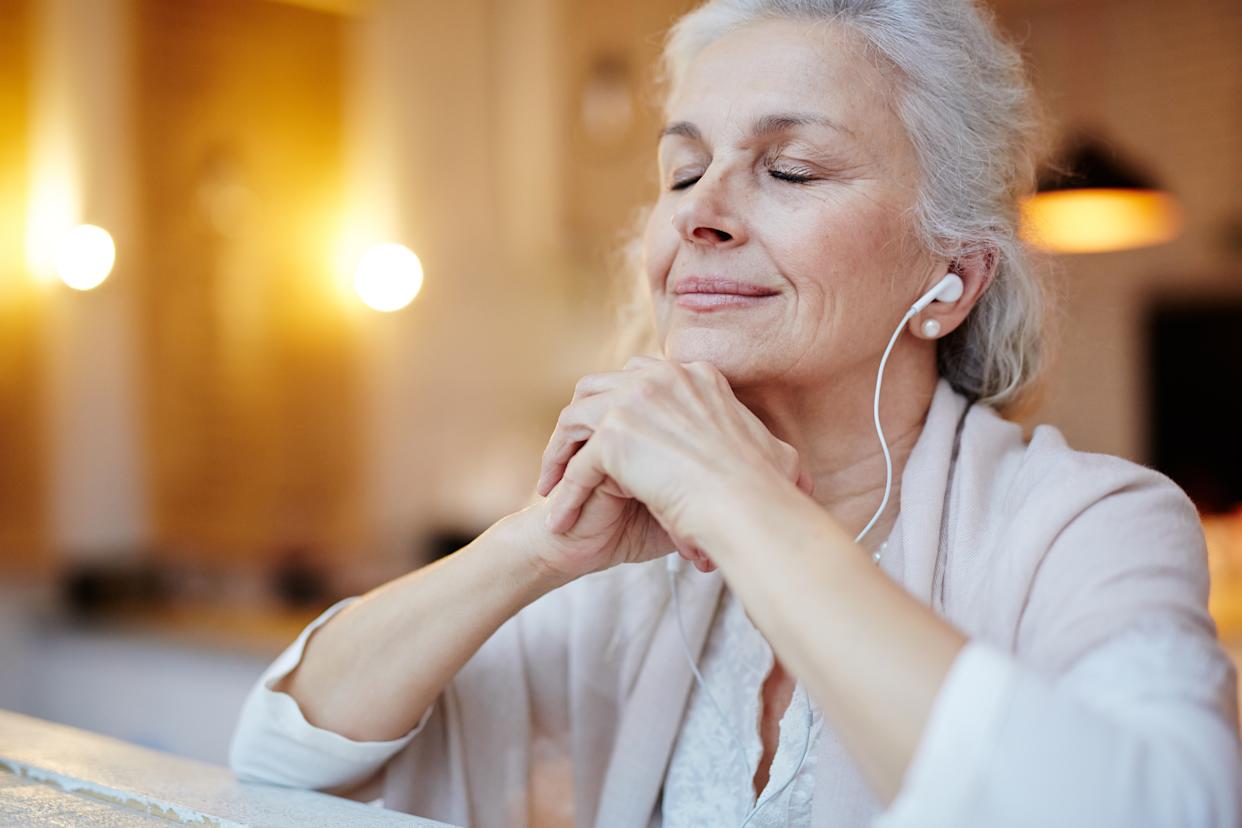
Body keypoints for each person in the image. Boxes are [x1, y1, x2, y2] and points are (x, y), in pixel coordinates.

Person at [228, 1, 1242, 826]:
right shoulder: (636, 568)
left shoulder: (1092, 524)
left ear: (952, 278)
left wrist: (743, 504)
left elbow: (1164, 810)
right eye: (682, 171)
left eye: (789, 170)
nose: (697, 213)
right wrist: (535, 545)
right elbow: (280, 752)